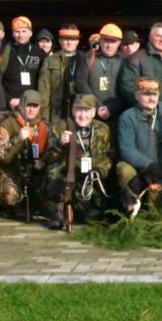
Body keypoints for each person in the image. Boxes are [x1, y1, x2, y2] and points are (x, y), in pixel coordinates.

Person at [44, 94, 113, 229]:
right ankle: (56, 211)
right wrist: (60, 143)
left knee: (91, 216)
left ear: (93, 112)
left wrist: (100, 170)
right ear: (72, 110)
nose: (82, 115)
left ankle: (80, 208)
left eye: (87, 110)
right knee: (54, 172)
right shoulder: (60, 127)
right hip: (66, 174)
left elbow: (107, 157)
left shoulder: (102, 129)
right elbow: (49, 157)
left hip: (87, 176)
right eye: (79, 110)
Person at [116, 78, 162, 213]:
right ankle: (126, 210)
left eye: (154, 94)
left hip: (161, 168)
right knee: (125, 171)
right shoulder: (127, 117)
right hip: (138, 168)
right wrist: (148, 165)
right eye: (146, 94)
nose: (151, 98)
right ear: (137, 96)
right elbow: (126, 149)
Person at [0, 90, 49, 215]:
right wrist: (18, 139)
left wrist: (43, 161)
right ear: (21, 106)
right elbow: (1, 157)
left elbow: (52, 150)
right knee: (10, 197)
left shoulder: (44, 126)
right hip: (13, 170)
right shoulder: (7, 125)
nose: (31, 109)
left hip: (35, 171)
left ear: (40, 107)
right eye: (28, 105)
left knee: (48, 194)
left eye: (35, 106)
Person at [121, 22, 162, 108]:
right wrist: (146, 108)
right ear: (150, 38)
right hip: (145, 114)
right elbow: (128, 89)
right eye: (158, 36)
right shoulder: (137, 58)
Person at [75, 23, 125, 138]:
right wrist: (97, 106)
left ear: (119, 43)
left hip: (117, 115)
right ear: (100, 40)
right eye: (106, 40)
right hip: (91, 115)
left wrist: (111, 108)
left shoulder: (125, 61)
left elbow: (127, 88)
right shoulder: (88, 57)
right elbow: (81, 82)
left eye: (113, 41)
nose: (109, 45)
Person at [38, 23, 83, 126]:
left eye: (73, 39)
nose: (69, 42)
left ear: (77, 41)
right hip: (57, 113)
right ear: (60, 41)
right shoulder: (49, 60)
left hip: (80, 113)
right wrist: (45, 117)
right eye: (66, 39)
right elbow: (43, 90)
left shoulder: (84, 59)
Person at [0, 16, 46, 110]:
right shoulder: (4, 52)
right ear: (13, 34)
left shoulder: (39, 53)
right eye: (17, 31)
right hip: (11, 104)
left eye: (24, 31)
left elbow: (45, 81)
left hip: (33, 104)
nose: (21, 35)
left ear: (31, 33)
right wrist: (8, 99)